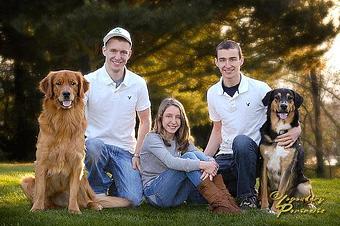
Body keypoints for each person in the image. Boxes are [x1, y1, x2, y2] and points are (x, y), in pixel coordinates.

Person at [204, 40, 301, 209]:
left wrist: (297, 129)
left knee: (241, 141)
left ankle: (247, 197)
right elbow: (217, 130)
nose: (228, 65)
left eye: (233, 59)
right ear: (216, 62)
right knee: (199, 193)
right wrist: (204, 160)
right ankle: (237, 189)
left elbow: (283, 113)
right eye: (223, 60)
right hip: (226, 156)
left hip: (254, 156)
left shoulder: (260, 88)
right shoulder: (212, 93)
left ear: (241, 60)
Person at [84, 27, 151, 207]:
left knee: (134, 200)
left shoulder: (138, 83)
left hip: (125, 150)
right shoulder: (88, 81)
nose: (118, 56)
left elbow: (145, 121)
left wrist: (137, 154)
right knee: (93, 146)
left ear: (130, 54)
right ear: (104, 50)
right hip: (95, 147)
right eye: (113, 50)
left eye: (123, 52)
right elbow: (76, 119)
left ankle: (103, 192)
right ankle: (97, 190)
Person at [140, 97, 240, 213]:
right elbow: (171, 162)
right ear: (160, 117)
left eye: (178, 117)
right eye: (169, 116)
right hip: (155, 194)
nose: (173, 121)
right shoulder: (152, 138)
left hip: (176, 197)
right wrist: (204, 165)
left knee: (193, 156)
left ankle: (225, 201)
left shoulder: (179, 139)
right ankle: (221, 202)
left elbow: (199, 154)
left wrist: (211, 163)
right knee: (189, 159)